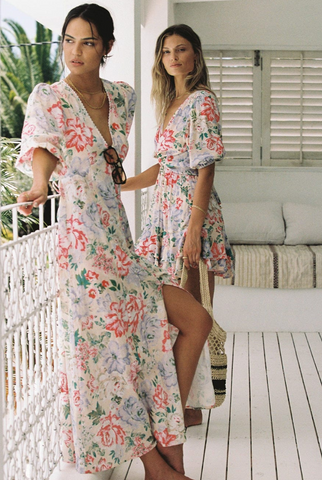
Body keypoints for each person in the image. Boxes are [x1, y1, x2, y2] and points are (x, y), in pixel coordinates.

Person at [16, 5, 213, 479]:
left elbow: (117, 168)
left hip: (121, 242)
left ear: (106, 47)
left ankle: (164, 453)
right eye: (68, 40)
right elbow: (44, 147)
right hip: (82, 245)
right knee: (111, 354)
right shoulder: (49, 97)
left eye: (87, 42)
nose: (75, 51)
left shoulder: (121, 97)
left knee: (194, 321)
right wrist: (41, 185)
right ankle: (159, 466)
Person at [122, 24, 234, 428]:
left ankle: (184, 409)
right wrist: (122, 184)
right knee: (169, 314)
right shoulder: (172, 102)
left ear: (195, 56)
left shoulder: (201, 102)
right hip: (163, 216)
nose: (172, 57)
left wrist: (193, 230)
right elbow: (165, 167)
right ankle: (182, 405)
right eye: (166, 51)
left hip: (189, 216)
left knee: (192, 312)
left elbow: (205, 170)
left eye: (181, 49)